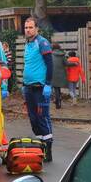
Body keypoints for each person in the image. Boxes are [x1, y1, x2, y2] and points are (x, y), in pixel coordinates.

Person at [21, 17, 54, 161]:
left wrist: (48, 83)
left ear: (36, 29)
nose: (28, 30)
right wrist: (24, 85)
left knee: (42, 118)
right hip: (29, 88)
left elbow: (50, 65)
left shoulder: (42, 43)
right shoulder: (27, 44)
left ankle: (48, 151)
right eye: (26, 27)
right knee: (33, 119)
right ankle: (39, 147)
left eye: (30, 27)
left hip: (40, 88)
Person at [50, 43, 68, 110]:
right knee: (57, 88)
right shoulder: (62, 55)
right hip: (61, 74)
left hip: (53, 73)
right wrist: (74, 63)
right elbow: (66, 63)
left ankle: (57, 100)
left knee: (55, 87)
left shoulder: (50, 54)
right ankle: (58, 99)